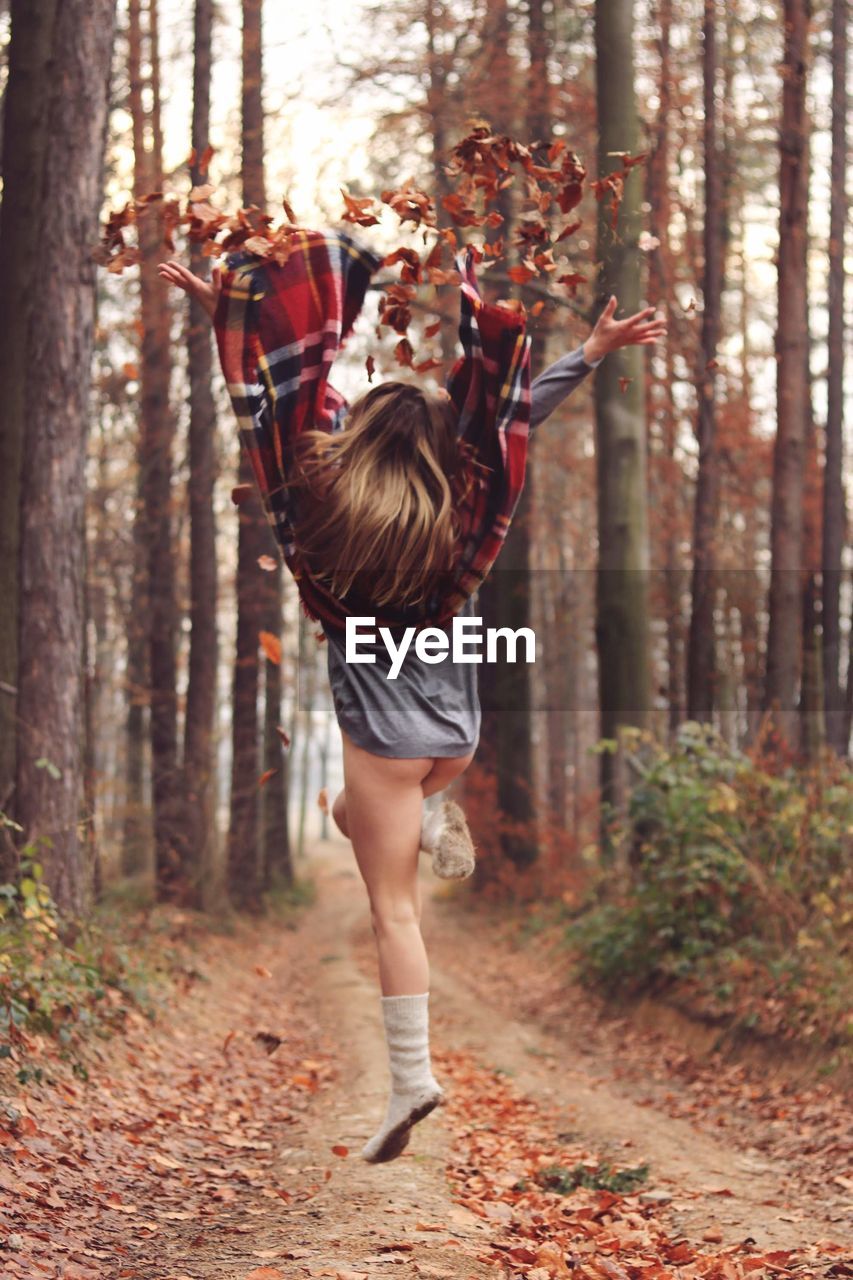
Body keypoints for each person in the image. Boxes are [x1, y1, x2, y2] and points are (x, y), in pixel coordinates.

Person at [158, 228, 666, 1164]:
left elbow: (275, 405)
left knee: (394, 909)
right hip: (453, 737)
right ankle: (434, 819)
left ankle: (408, 1080)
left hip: (389, 746)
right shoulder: (460, 508)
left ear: (356, 436)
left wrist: (222, 313)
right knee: (351, 812)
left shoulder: (313, 504)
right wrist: (589, 353)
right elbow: (510, 419)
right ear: (436, 443)